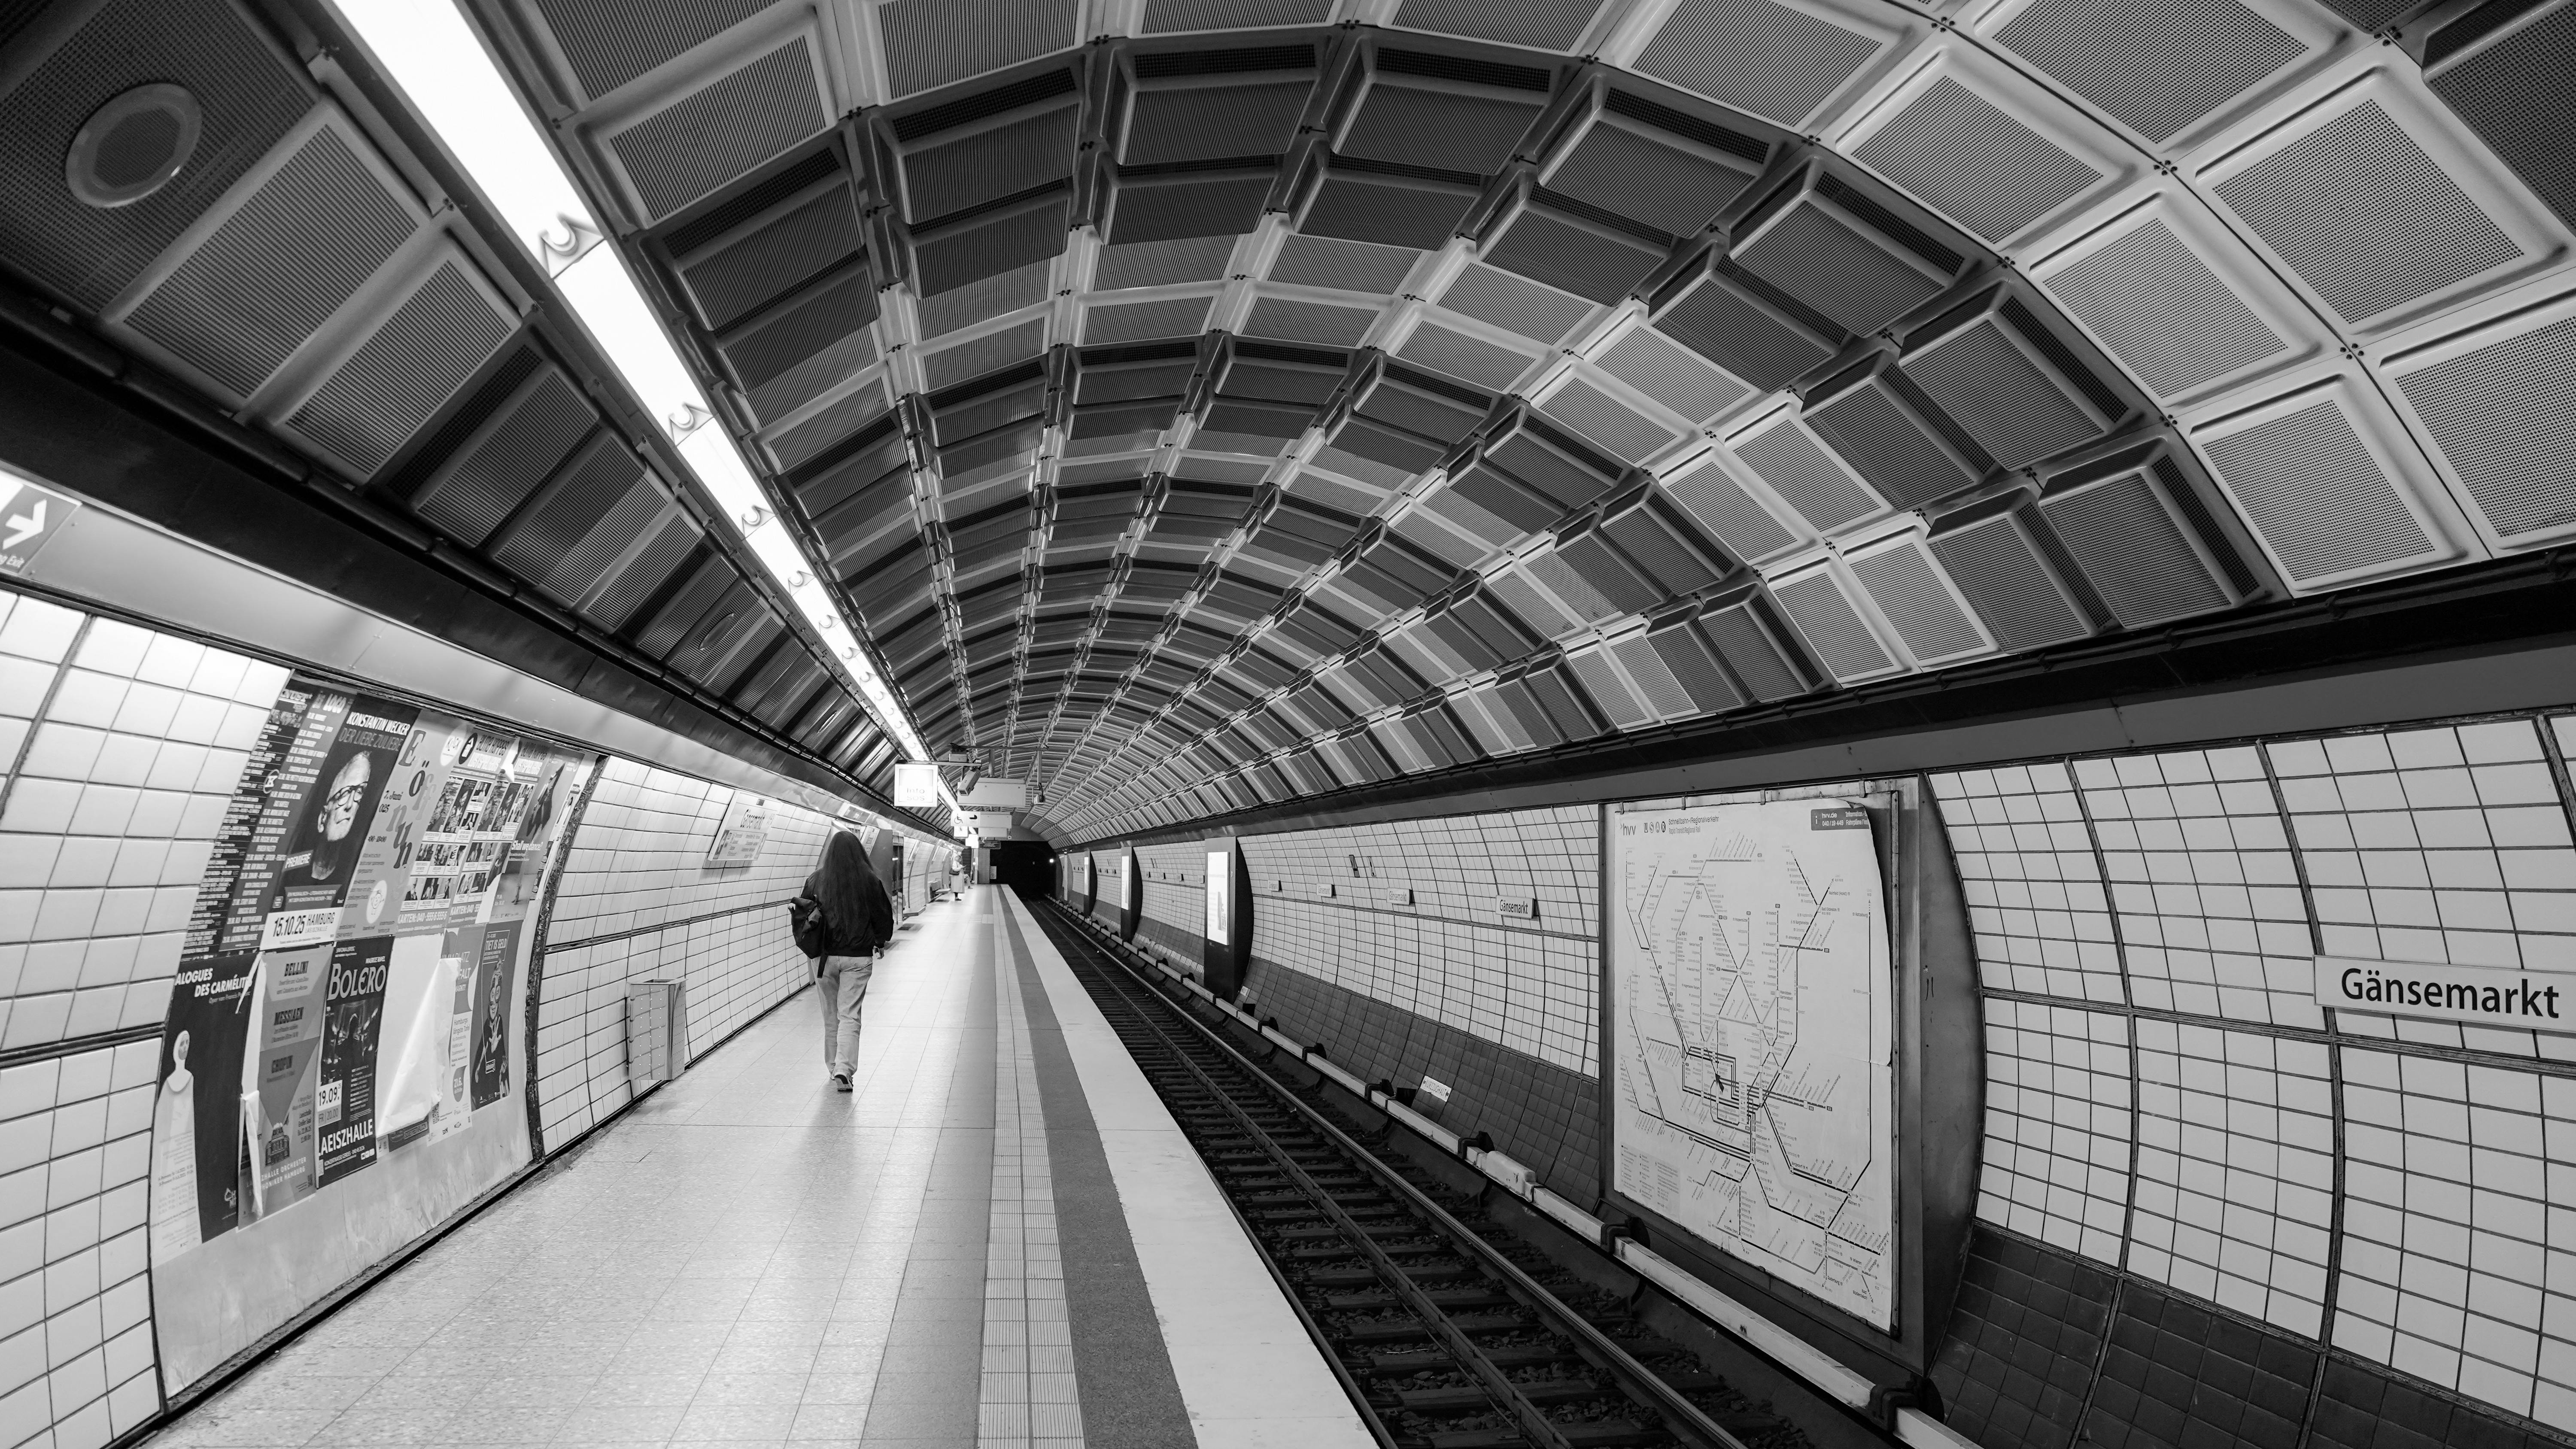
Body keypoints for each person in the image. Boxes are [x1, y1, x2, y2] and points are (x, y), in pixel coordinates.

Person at [796, 832, 892, 1092]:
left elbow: (804, 916)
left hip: (823, 959)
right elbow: (884, 917)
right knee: (849, 1015)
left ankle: (833, 1068)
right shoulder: (870, 881)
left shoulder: (816, 880)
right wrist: (880, 941)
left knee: (831, 1017)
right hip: (858, 957)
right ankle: (844, 1069)